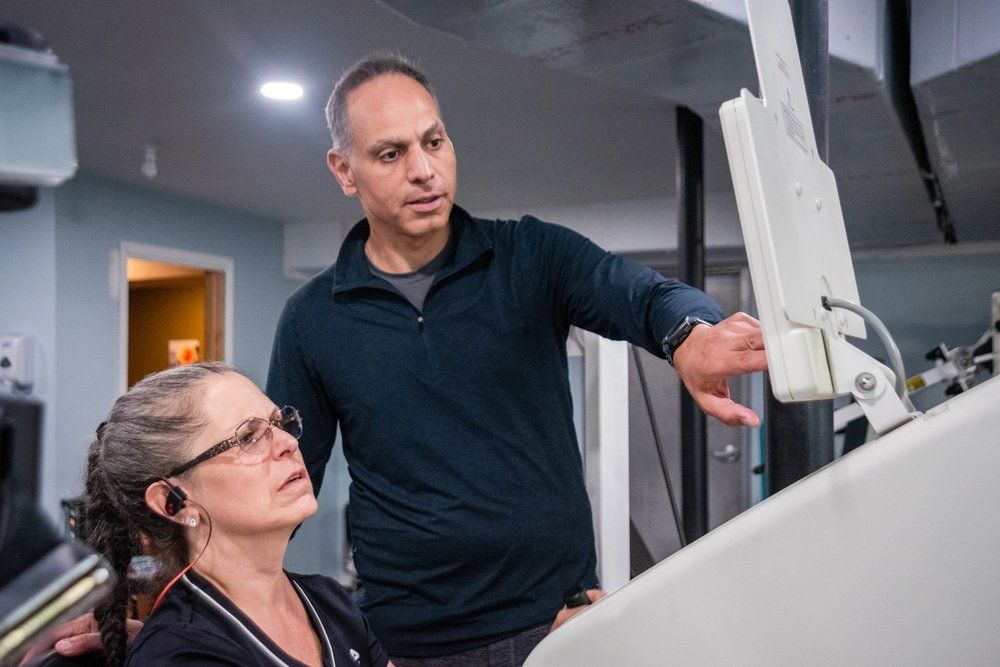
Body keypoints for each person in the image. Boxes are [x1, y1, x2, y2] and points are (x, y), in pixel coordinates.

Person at [265, 53, 767, 664]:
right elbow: (282, 486)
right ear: (344, 171)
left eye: (435, 141)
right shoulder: (312, 319)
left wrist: (691, 334)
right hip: (410, 645)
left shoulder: (531, 256)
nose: (425, 171)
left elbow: (642, 293)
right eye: (391, 154)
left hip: (559, 626)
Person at [31, 363, 391, 667]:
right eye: (249, 437)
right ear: (174, 501)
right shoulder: (180, 652)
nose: (288, 443)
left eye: (279, 423)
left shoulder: (328, 599)